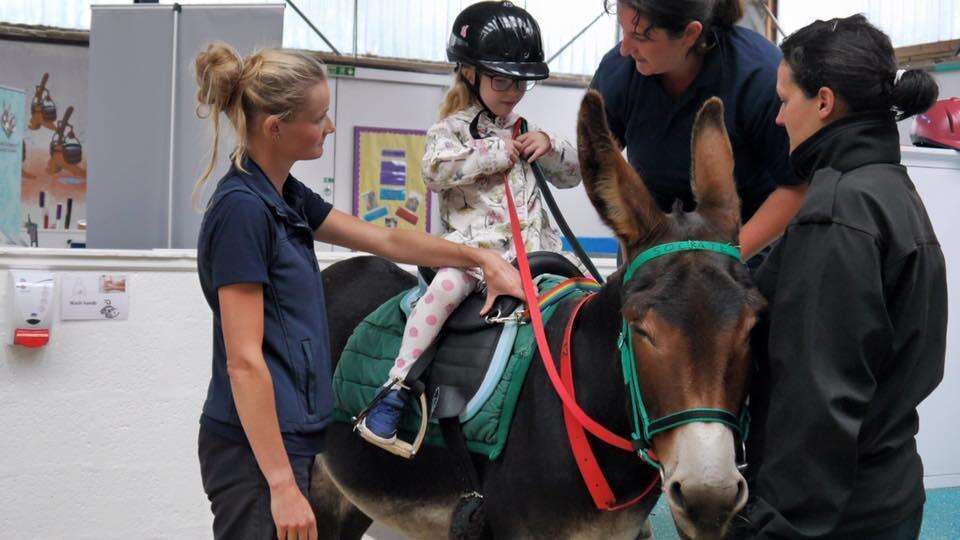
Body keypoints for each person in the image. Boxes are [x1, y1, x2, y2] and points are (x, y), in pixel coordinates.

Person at [192, 42, 524, 540]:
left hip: (296, 439)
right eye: (319, 118)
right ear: (275, 128)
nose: (329, 127)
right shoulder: (242, 210)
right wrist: (281, 486)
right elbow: (244, 361)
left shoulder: (285, 195)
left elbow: (387, 238)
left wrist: (477, 256)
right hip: (255, 454)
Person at [741, 14, 946, 539]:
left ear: (825, 102)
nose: (780, 119)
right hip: (888, 491)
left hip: (832, 517)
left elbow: (816, 407)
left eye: (786, 101)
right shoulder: (888, 190)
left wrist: (774, 527)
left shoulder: (836, 213)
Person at [357, 1, 582, 447]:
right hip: (472, 258)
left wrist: (551, 145)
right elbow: (436, 172)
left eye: (521, 81)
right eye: (501, 79)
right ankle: (395, 389)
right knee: (442, 292)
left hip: (535, 255)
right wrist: (496, 152)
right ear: (469, 72)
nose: (513, 90)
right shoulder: (450, 130)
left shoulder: (526, 127)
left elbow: (572, 174)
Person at [592, 0, 806, 261]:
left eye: (639, 36)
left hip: (745, 247)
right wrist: (634, 256)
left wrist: (725, 256)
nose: (625, 48)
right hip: (650, 244)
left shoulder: (758, 75)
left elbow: (797, 187)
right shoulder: (619, 71)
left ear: (690, 34)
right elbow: (603, 167)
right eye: (622, 30)